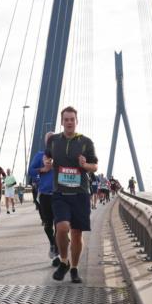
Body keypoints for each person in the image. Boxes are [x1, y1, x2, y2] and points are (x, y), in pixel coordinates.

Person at [48, 107, 99, 285]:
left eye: (72, 119)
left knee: (76, 234)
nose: (69, 122)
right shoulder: (53, 141)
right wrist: (47, 163)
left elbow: (95, 167)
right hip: (60, 193)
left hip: (80, 194)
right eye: (66, 119)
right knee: (62, 228)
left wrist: (85, 166)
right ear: (62, 122)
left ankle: (75, 268)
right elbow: (47, 157)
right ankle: (64, 261)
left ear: (77, 121)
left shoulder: (85, 142)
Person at [28, 132, 59, 265]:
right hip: (45, 195)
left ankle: (57, 253)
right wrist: (43, 169)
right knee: (48, 224)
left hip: (59, 195)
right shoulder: (39, 155)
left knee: (61, 225)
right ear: (46, 142)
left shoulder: (61, 155)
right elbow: (30, 171)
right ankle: (52, 243)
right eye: (49, 139)